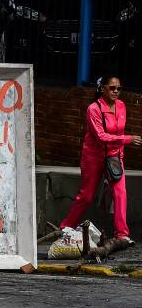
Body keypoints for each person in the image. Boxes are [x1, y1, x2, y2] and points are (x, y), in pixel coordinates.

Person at [59, 75, 142, 242]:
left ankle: (122, 234)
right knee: (86, 196)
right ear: (102, 88)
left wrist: (120, 158)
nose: (116, 91)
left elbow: (117, 135)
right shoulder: (94, 109)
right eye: (112, 88)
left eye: (119, 88)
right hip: (93, 157)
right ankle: (66, 227)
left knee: (121, 194)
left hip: (114, 157)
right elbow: (101, 137)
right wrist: (128, 139)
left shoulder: (121, 106)